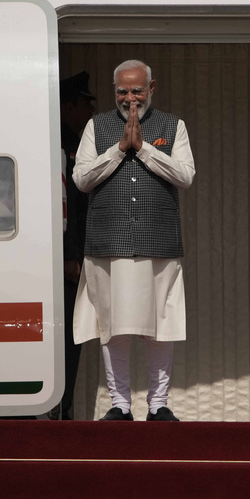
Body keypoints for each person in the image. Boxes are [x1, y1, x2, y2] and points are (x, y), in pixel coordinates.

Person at [72, 59, 195, 421]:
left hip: (159, 244)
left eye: (137, 90)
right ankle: (119, 405)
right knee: (114, 329)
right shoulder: (97, 126)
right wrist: (119, 149)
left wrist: (144, 149)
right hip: (108, 244)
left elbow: (185, 176)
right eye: (122, 91)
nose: (130, 98)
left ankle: (158, 405)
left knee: (160, 327)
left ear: (151, 88)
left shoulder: (174, 126)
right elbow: (81, 178)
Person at [52, 71, 95, 420]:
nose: (89, 112)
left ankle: (62, 409)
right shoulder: (61, 145)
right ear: (68, 106)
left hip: (75, 260)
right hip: (65, 264)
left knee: (74, 336)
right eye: (84, 104)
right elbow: (65, 207)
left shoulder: (75, 143)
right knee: (65, 339)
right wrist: (69, 256)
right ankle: (59, 411)